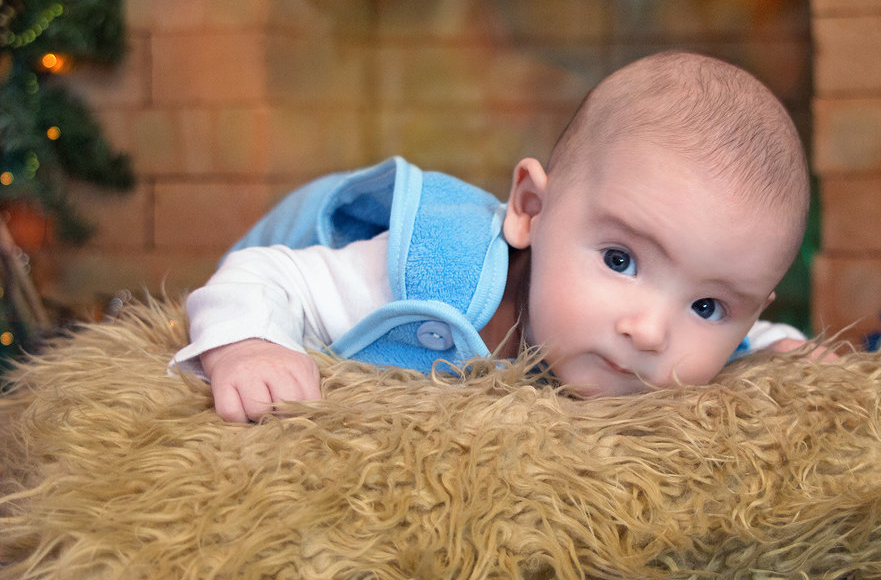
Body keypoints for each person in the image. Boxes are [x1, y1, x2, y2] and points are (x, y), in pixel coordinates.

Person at [173, 51, 814, 422]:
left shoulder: (698, 330)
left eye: (707, 306)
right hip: (313, 230)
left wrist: (785, 350)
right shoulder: (426, 275)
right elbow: (265, 273)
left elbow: (744, 339)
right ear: (531, 209)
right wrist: (252, 347)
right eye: (620, 260)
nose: (650, 332)